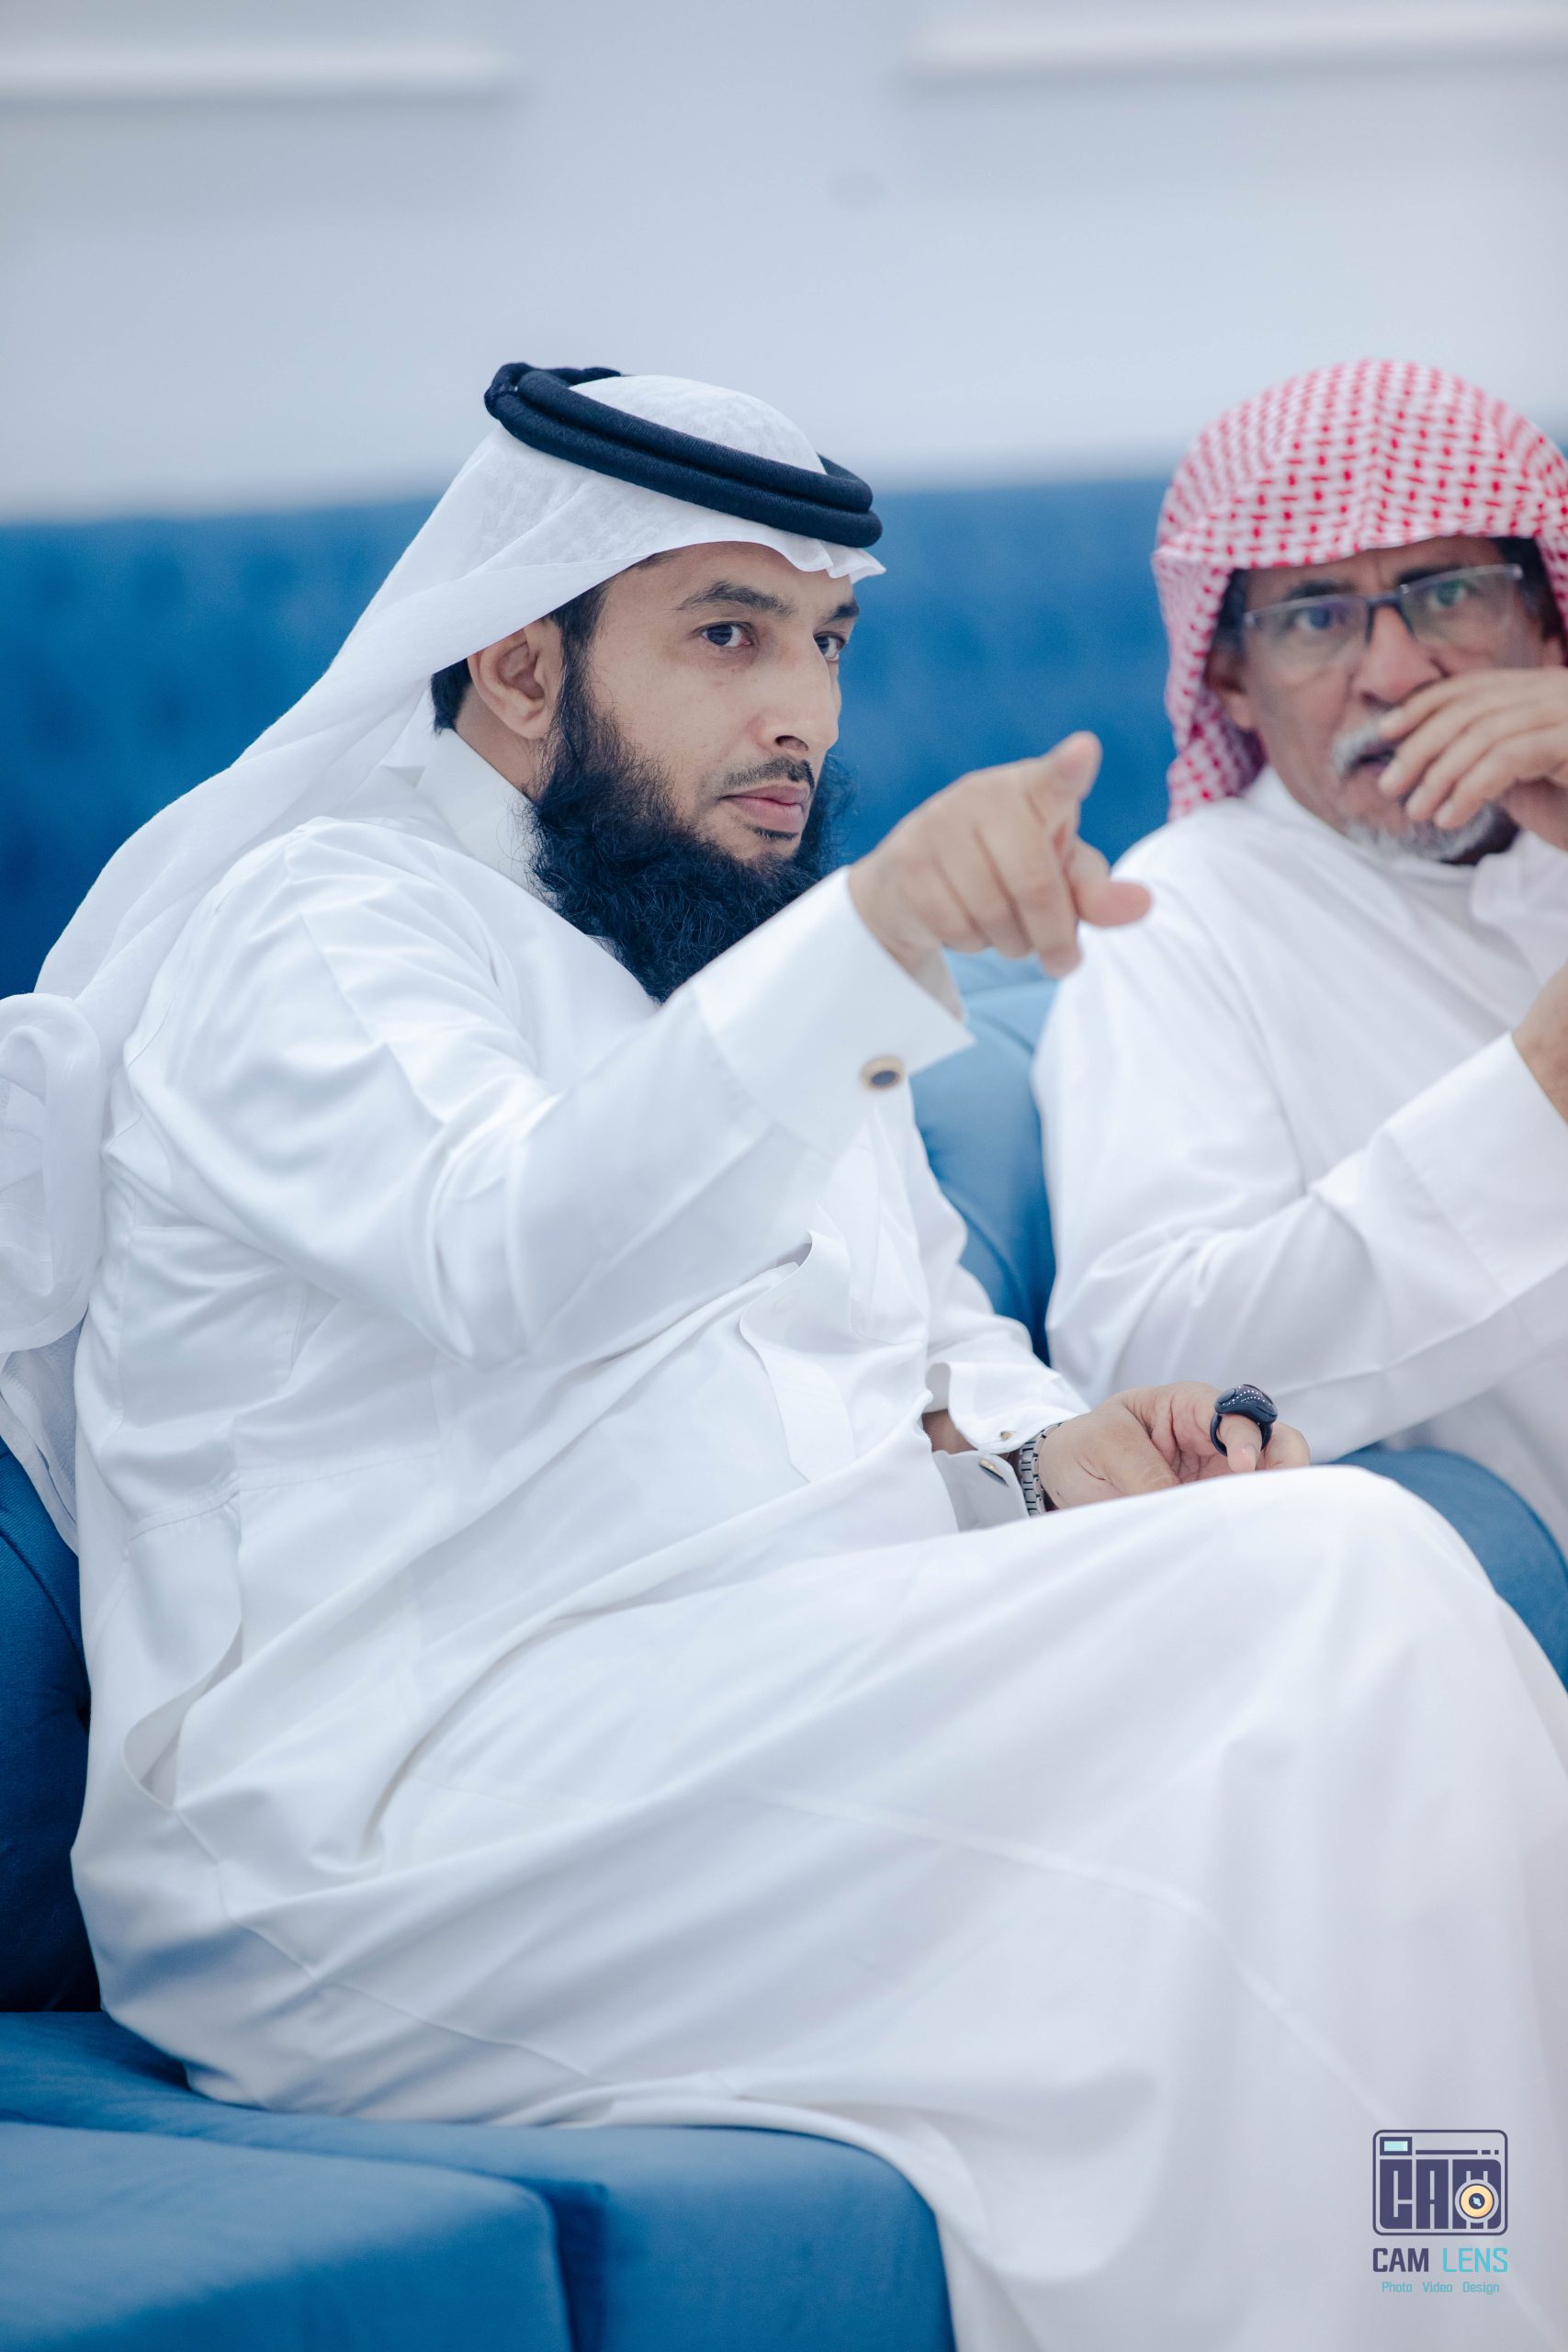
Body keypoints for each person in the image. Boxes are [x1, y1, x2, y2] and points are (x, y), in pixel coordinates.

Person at [3, 365, 1566, 2351]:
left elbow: (930, 1351)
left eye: (824, 642)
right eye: (728, 636)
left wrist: (1064, 1456)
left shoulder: (729, 959)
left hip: (713, 1702)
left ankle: (1447, 2279)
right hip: (386, 1808)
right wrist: (873, 937)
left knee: (1344, 1633)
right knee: (1336, 1597)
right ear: (519, 664)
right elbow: (516, 1252)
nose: (801, 714)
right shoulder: (327, 924)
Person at [1039, 358, 1568, 1560]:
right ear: (1229, 677)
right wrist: (1538, 1095)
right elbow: (1150, 1371)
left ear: (1544, 621)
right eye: (1316, 617)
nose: (1393, 673)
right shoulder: (1178, 915)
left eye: (1449, 593)